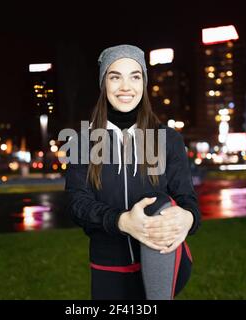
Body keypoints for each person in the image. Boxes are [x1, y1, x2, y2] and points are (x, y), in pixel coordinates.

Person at [65, 44, 201, 300]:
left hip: (160, 266)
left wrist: (188, 219)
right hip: (108, 271)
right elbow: (76, 204)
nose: (126, 86)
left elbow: (188, 201)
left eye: (135, 76)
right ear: (103, 84)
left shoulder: (168, 140)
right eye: (115, 76)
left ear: (144, 84)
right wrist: (122, 221)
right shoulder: (83, 142)